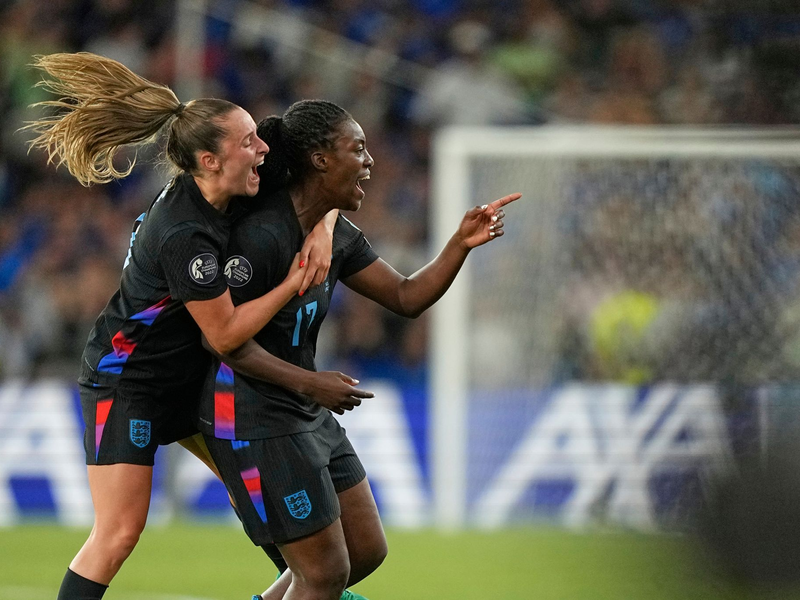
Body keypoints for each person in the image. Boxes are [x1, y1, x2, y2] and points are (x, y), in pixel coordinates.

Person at [25, 52, 358, 600]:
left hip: (189, 377)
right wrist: (292, 281)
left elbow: (325, 180)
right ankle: (319, 585)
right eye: (249, 141)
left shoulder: (247, 167)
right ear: (208, 160)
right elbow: (225, 334)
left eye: (258, 136)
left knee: (258, 486)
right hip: (128, 382)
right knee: (119, 532)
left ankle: (317, 586)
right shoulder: (184, 232)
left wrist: (323, 226)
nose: (264, 148)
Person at [196, 99, 520, 600]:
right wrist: (312, 382)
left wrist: (459, 244)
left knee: (365, 550)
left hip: (304, 408)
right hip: (252, 416)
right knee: (323, 575)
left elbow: (405, 296)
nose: (370, 162)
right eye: (359, 149)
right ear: (322, 159)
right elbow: (221, 342)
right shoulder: (260, 236)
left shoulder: (334, 232)